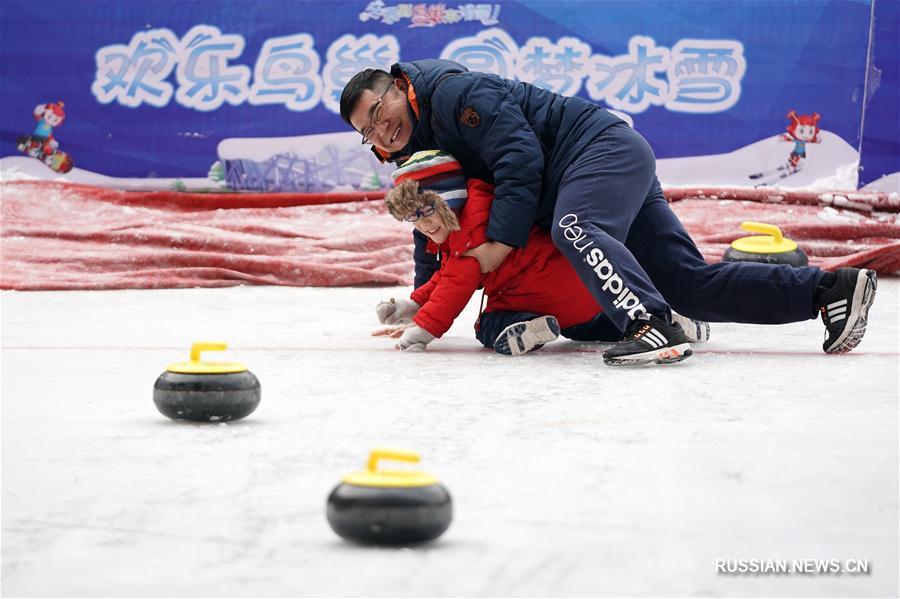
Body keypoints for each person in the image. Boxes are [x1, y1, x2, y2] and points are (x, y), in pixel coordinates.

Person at [340, 60, 877, 365]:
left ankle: (649, 324)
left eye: (376, 113)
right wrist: (420, 297)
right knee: (688, 284)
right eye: (365, 132)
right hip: (603, 167)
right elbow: (430, 222)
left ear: (397, 88)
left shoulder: (455, 94)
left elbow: (520, 158)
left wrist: (498, 244)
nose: (378, 131)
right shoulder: (416, 147)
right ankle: (830, 292)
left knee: (573, 227)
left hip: (599, 151)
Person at [373, 150, 705, 362]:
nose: (424, 223)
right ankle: (669, 320)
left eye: (429, 209)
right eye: (412, 217)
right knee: (586, 325)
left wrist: (423, 328)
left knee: (487, 324)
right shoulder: (483, 212)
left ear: (451, 200)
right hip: (584, 288)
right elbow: (447, 276)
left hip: (534, 296)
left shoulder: (467, 232)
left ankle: (526, 327)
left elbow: (456, 284)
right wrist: (414, 303)